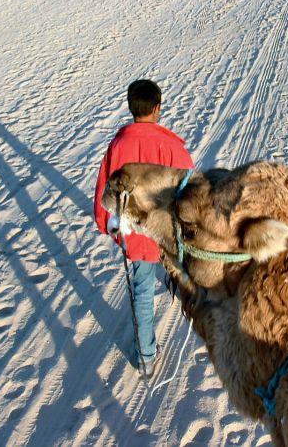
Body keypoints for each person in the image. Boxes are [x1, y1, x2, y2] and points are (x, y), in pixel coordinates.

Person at [94, 79, 194, 376]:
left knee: (142, 289)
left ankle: (147, 357)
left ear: (132, 107)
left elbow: (105, 194)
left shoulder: (118, 145)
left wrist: (108, 227)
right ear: (157, 108)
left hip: (135, 234)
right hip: (167, 233)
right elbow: (190, 190)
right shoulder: (172, 146)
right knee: (173, 268)